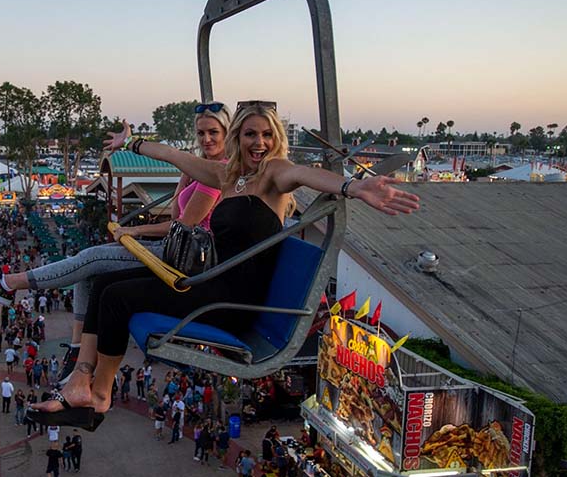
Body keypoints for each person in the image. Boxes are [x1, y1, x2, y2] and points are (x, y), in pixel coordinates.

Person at [31, 102, 420, 429]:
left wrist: (353, 186)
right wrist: (130, 143)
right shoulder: (226, 176)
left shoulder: (275, 173)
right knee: (102, 282)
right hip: (210, 284)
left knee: (117, 297)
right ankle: (82, 378)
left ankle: (99, 394)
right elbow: (173, 155)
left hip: (233, 302)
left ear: (276, 139)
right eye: (251, 134)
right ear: (238, 138)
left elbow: (306, 175)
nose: (259, 142)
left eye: (267, 135)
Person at [0, 102, 235, 385]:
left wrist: (135, 229)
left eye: (213, 132)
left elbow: (182, 227)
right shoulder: (200, 172)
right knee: (87, 268)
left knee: (92, 257)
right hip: (176, 246)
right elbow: (178, 218)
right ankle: (77, 348)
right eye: (201, 133)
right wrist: (182, 180)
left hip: (185, 260)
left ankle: (9, 283)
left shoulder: (216, 175)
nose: (207, 140)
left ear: (228, 134)